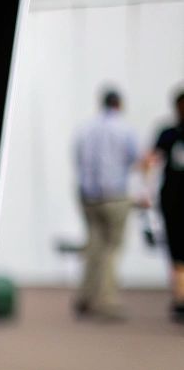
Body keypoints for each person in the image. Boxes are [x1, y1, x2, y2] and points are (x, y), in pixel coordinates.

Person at [73, 87, 144, 320]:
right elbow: (137, 159)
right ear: (119, 104)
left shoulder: (86, 128)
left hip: (88, 195)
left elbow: (77, 159)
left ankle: (85, 295)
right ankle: (105, 300)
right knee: (112, 248)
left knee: (93, 244)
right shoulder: (124, 129)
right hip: (114, 195)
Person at [142, 89, 184, 323]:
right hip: (173, 202)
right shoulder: (168, 133)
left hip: (173, 200)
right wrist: (145, 190)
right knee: (176, 251)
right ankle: (180, 297)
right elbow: (151, 161)